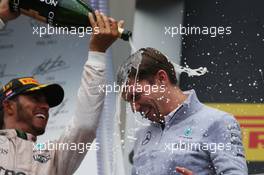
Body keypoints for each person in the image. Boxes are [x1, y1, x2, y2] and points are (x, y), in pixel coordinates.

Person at [0, 0, 121, 174]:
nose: (45, 106)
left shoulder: (53, 156)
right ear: (8, 105)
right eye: (35, 98)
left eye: (47, 101)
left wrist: (97, 53)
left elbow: (84, 126)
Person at [117, 48, 248, 175]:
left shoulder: (218, 122)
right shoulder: (142, 134)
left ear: (161, 79)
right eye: (129, 101)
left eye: (136, 95)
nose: (135, 108)